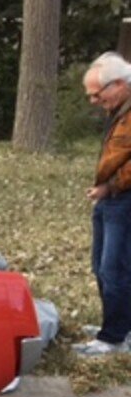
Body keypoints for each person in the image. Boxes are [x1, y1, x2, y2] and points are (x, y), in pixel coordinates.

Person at [77, 52, 131, 355]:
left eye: (97, 95)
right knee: (101, 265)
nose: (94, 102)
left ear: (119, 85)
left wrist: (110, 187)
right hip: (111, 197)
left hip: (123, 198)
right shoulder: (121, 107)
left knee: (115, 268)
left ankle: (113, 338)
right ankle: (117, 324)